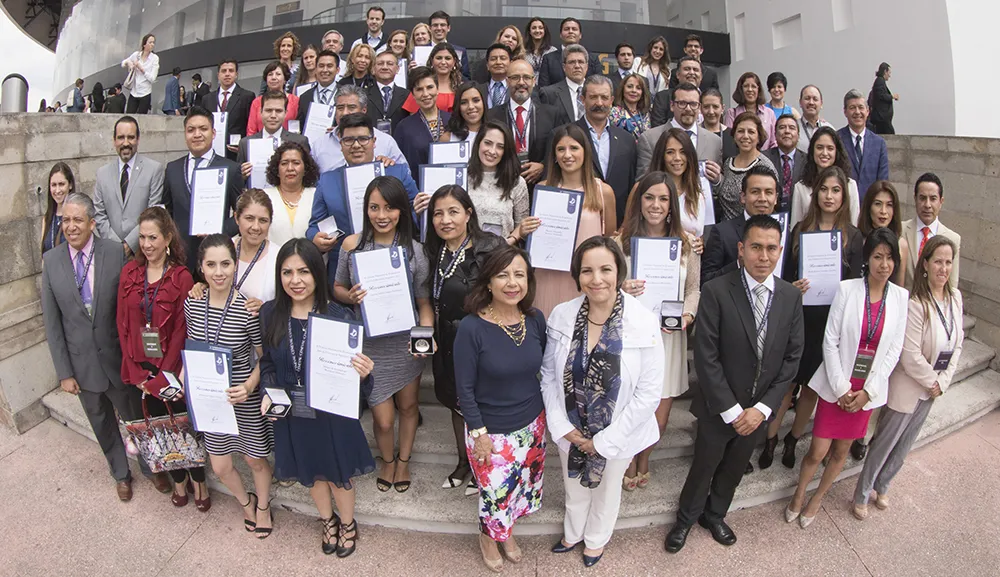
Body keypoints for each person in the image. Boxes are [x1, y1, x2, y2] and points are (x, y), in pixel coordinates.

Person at [665, 214, 804, 553]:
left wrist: (762, 409)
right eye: (756, 247)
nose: (764, 256)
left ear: (780, 250)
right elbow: (706, 356)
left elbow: (791, 358)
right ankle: (685, 519)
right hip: (719, 407)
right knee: (704, 466)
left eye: (771, 248)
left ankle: (715, 515)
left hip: (759, 410)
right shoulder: (716, 291)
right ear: (741, 249)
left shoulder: (789, 296)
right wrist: (731, 410)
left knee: (734, 468)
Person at [540, 236, 662, 567]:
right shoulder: (561, 315)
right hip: (572, 427)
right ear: (577, 276)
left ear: (619, 272)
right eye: (587, 271)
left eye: (606, 269)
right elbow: (549, 376)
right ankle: (573, 532)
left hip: (618, 431)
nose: (597, 279)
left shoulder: (643, 321)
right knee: (572, 487)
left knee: (607, 491)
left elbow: (649, 392)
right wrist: (563, 427)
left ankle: (595, 540)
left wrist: (605, 440)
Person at [41, 193, 170, 500]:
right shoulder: (52, 261)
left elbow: (134, 304)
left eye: (77, 220)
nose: (70, 226)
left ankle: (152, 468)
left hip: (118, 360)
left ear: (91, 223)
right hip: (82, 366)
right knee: (101, 423)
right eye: (65, 220)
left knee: (136, 419)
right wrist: (64, 372)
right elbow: (52, 323)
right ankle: (120, 473)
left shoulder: (114, 252)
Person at [258, 239, 375, 557]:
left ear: (317, 274)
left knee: (339, 475)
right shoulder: (270, 314)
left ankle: (348, 523)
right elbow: (267, 364)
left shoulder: (339, 315)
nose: (295, 280)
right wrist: (268, 393)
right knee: (311, 475)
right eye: (287, 272)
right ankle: (328, 520)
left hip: (332, 414)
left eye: (304, 271)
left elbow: (359, 382)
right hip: (293, 414)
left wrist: (364, 373)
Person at [785, 228, 907, 528]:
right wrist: (841, 387)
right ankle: (799, 494)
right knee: (818, 450)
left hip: (867, 389)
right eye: (878, 256)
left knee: (841, 451)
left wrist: (869, 392)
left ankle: (817, 499)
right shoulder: (848, 289)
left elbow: (893, 350)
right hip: (837, 383)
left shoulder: (901, 298)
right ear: (868, 258)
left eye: (890, 258)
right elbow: (830, 340)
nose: (884, 264)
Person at [759, 165, 865, 471]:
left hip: (831, 324)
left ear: (844, 196)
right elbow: (785, 277)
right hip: (799, 318)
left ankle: (793, 438)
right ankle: (771, 438)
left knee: (812, 387)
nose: (829, 196)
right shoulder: (799, 231)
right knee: (787, 383)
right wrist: (794, 287)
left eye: (836, 190)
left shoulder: (854, 237)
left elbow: (855, 286)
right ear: (814, 193)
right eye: (824, 189)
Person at [334, 176, 433, 495]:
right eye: (374, 207)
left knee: (408, 407)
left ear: (402, 211)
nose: (382, 215)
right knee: (383, 418)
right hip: (370, 346)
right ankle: (387, 459)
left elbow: (423, 303)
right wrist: (352, 296)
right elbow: (336, 288)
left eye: (389, 208)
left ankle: (401, 462)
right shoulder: (352, 245)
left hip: (405, 344)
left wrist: (424, 336)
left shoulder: (414, 251)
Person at [851, 235, 961, 520]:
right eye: (938, 261)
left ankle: (883, 485)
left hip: (933, 388)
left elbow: (957, 344)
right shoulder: (916, 303)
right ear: (925, 265)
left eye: (948, 262)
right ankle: (862, 493)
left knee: (905, 444)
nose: (943, 268)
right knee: (884, 443)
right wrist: (932, 381)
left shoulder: (955, 298)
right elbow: (909, 354)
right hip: (909, 385)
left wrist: (943, 382)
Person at [453, 245, 545, 570]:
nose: (512, 282)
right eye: (503, 274)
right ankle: (488, 536)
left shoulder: (534, 320)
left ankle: (506, 531)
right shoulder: (471, 328)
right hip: (490, 430)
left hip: (533, 425)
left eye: (519, 274)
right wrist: (478, 433)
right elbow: (463, 388)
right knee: (494, 493)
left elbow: (541, 368)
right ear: (488, 282)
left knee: (519, 487)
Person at [116, 207, 207, 509]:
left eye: (153, 237)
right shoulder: (129, 272)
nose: (146, 244)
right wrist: (137, 372)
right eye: (142, 237)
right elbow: (122, 323)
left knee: (182, 428)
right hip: (141, 372)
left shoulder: (181, 277)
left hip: (171, 373)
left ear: (167, 237)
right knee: (160, 431)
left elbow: (182, 330)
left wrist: (161, 377)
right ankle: (178, 482)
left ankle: (199, 482)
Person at [183, 234, 274, 536]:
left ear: (235, 266)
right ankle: (245, 501)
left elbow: (264, 359)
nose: (218, 272)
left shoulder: (247, 310)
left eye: (225, 264)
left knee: (254, 460)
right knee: (221, 467)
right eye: (211, 265)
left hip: (242, 397)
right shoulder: (192, 303)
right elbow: (193, 350)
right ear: (201, 268)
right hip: (212, 401)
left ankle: (262, 507)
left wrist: (249, 386)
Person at [615, 174, 700, 489]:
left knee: (659, 418)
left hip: (669, 339)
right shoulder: (619, 241)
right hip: (631, 341)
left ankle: (644, 457)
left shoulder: (687, 244)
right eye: (649, 197)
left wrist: (688, 314)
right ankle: (628, 458)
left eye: (663, 199)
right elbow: (605, 290)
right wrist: (621, 288)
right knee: (630, 407)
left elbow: (694, 290)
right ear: (639, 201)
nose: (656, 205)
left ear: (672, 205)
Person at [424, 186, 506, 492]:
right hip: (447, 340)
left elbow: (509, 290)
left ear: (468, 213)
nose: (445, 220)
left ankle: (486, 464)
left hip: (483, 340)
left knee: (480, 403)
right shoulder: (434, 251)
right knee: (456, 402)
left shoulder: (489, 247)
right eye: (438, 213)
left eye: (453, 211)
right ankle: (463, 462)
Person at [306, 113, 420, 287]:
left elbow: (417, 213)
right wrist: (316, 238)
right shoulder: (327, 181)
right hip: (344, 273)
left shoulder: (397, 173)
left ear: (374, 142)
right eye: (349, 140)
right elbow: (315, 225)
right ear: (340, 144)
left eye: (363, 139)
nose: (356, 145)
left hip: (395, 263)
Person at [533, 124, 616, 317]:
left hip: (587, 280)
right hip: (549, 276)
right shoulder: (543, 189)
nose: (567, 155)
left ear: (586, 152)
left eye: (574, 148)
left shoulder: (603, 192)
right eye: (561, 149)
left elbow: (609, 237)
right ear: (553, 155)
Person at [162, 106, 244, 272]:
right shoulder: (172, 168)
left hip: (215, 259)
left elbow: (240, 215)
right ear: (185, 134)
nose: (197, 134)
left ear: (213, 133)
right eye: (191, 130)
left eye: (203, 129)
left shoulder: (231, 168)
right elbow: (167, 211)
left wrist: (219, 229)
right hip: (180, 259)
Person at [485, 58, 570, 189]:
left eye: (526, 77)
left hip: (540, 185)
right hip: (503, 185)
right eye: (515, 78)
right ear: (507, 82)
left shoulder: (552, 114)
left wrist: (543, 166)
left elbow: (560, 147)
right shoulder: (492, 116)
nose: (521, 82)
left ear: (534, 81)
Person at [93, 116, 165, 258]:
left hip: (143, 253)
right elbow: (99, 214)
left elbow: (153, 212)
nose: (126, 143)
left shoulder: (154, 170)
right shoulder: (102, 174)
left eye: (130, 137)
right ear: (114, 141)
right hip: (111, 254)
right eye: (121, 137)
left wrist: (129, 244)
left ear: (138, 140)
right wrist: (116, 246)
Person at [701, 164, 778, 285]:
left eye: (768, 192)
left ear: (776, 198)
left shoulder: (784, 233)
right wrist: (738, 264)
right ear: (743, 197)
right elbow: (706, 280)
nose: (762, 198)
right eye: (755, 192)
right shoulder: (722, 233)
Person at [576, 75, 636, 226]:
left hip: (618, 223)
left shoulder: (627, 140)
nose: (599, 103)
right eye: (593, 97)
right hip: (579, 220)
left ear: (612, 100)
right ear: (583, 100)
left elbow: (631, 184)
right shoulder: (567, 135)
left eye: (604, 97)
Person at [308, 85, 407, 174]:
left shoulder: (386, 142)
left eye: (351, 107)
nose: (345, 113)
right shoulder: (319, 145)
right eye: (340, 108)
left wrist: (390, 167)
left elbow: (405, 174)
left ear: (364, 110)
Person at [639, 82, 724, 176]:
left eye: (693, 104)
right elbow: (642, 181)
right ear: (672, 105)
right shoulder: (650, 139)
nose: (688, 108)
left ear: (699, 107)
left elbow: (719, 184)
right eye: (682, 103)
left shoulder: (715, 141)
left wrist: (717, 180)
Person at [466, 121, 531, 240]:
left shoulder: (516, 183)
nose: (492, 151)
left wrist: (506, 245)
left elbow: (522, 229)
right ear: (478, 143)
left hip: (503, 254)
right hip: (466, 255)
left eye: (500, 147)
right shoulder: (462, 178)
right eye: (488, 143)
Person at [647, 128, 714, 241]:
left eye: (683, 152)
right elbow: (628, 230)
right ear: (661, 155)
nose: (677, 158)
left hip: (690, 257)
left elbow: (701, 234)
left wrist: (700, 243)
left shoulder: (698, 195)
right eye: (670, 152)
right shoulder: (644, 190)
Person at [791, 126, 861, 229]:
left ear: (837, 152)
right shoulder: (801, 187)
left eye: (830, 148)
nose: (824, 153)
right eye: (819, 147)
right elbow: (795, 228)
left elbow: (854, 224)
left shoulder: (850, 185)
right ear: (812, 151)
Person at [901, 172, 961, 289]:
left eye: (933, 199)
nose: (927, 205)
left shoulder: (953, 239)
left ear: (941, 201)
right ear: (915, 199)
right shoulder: (900, 230)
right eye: (922, 198)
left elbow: (952, 285)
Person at [236, 90, 310, 183]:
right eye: (268, 110)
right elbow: (238, 183)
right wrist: (241, 176)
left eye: (278, 111)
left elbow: (308, 176)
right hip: (257, 195)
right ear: (261, 112)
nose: (273, 115)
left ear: (285, 113)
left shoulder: (299, 141)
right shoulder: (245, 143)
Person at [716, 111, 777, 222]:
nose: (745, 136)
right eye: (740, 131)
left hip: (752, 229)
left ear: (759, 137)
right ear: (734, 136)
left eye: (751, 132)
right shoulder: (728, 163)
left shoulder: (765, 166)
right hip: (726, 230)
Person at [396, 66, 451, 179]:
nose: (425, 94)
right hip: (418, 190)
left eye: (430, 87)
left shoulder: (452, 121)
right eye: (419, 89)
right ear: (413, 94)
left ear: (437, 89)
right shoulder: (404, 127)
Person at [262, 142, 319, 247]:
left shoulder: (317, 195)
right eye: (284, 163)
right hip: (272, 261)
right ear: (277, 170)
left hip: (310, 261)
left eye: (296, 163)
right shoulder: (264, 196)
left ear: (305, 169)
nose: (290, 168)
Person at [838, 89, 889, 203]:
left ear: (867, 111)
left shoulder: (879, 144)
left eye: (861, 107)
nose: (857, 112)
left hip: (870, 208)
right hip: (843, 207)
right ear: (845, 112)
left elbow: (883, 181)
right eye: (852, 108)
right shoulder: (836, 140)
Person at [200, 59, 256, 161]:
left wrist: (244, 146)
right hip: (212, 153)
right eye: (224, 71)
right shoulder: (207, 99)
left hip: (236, 153)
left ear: (236, 74)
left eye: (231, 71)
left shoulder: (247, 96)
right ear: (218, 75)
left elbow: (250, 126)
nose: (227, 74)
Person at [859, 180, 910, 286]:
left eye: (889, 205)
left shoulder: (901, 244)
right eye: (878, 204)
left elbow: (899, 287)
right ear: (869, 207)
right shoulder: (857, 239)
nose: (883, 211)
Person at [537, 18, 600, 88]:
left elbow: (599, 85)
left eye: (574, 29)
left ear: (580, 35)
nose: (570, 31)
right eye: (567, 29)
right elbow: (543, 88)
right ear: (560, 35)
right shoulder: (549, 59)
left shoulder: (593, 58)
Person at [763, 114, 806, 213]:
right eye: (782, 127)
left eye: (792, 128)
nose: (787, 131)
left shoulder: (807, 161)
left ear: (798, 135)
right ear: (775, 134)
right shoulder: (764, 158)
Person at [724, 72, 777, 150]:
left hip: (766, 158)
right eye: (746, 86)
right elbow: (730, 142)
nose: (750, 89)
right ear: (740, 89)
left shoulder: (769, 113)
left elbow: (774, 143)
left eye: (753, 86)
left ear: (758, 89)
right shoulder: (732, 113)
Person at [403, 43, 460, 114]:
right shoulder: (420, 86)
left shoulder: (461, 87)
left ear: (454, 61)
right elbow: (412, 118)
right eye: (439, 58)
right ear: (432, 61)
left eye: (447, 58)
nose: (443, 62)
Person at [539, 44, 591, 122]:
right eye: (572, 62)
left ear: (586, 66)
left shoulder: (596, 92)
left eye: (581, 62)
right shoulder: (549, 94)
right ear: (564, 67)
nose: (577, 66)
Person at [247, 63, 301, 136]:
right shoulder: (257, 102)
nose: (273, 77)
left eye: (278, 74)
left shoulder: (295, 101)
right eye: (270, 74)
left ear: (285, 79)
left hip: (288, 144)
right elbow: (251, 130)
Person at [295, 50, 341, 129]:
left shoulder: (347, 94)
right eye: (321, 66)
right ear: (316, 69)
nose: (325, 70)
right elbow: (300, 126)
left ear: (337, 70)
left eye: (329, 66)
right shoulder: (304, 97)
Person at [367, 50, 410, 134]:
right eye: (380, 64)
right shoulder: (362, 94)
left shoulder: (407, 95)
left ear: (397, 69)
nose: (385, 67)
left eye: (390, 64)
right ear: (373, 69)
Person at [41, 162, 75, 254]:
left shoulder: (77, 216)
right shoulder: (47, 219)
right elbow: (44, 256)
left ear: (70, 185)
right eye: (54, 185)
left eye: (61, 184)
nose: (57, 190)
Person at [121, 34, 159, 114]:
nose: (152, 44)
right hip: (134, 91)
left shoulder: (154, 58)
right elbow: (123, 63)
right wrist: (129, 63)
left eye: (153, 42)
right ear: (144, 44)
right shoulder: (136, 55)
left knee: (142, 118)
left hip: (145, 92)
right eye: (150, 42)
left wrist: (142, 69)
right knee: (129, 115)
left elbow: (152, 78)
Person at [428, 11, 470, 80]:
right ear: (430, 28)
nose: (439, 28)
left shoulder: (459, 51)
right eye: (435, 25)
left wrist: (456, 73)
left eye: (442, 25)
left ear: (448, 28)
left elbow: (466, 78)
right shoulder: (419, 51)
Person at [609, 72, 651, 140]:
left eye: (638, 88)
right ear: (623, 89)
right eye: (629, 86)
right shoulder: (614, 112)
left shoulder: (645, 114)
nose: (634, 90)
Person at [701, 88, 738, 161]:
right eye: (706, 107)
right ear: (700, 108)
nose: (711, 111)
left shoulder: (732, 135)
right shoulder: (694, 133)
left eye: (715, 107)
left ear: (722, 108)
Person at [796, 85, 833, 152]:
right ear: (800, 103)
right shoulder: (793, 128)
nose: (811, 102)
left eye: (815, 99)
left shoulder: (829, 129)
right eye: (807, 98)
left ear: (821, 104)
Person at [869, 62, 898, 135]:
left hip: (882, 118)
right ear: (885, 71)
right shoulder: (880, 80)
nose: (889, 75)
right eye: (889, 72)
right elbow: (881, 95)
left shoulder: (880, 81)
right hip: (881, 118)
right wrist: (892, 96)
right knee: (890, 135)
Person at [481, 44, 511, 110]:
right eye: (493, 59)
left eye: (503, 58)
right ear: (487, 65)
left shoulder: (516, 88)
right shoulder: (479, 90)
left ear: (510, 63)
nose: (498, 62)